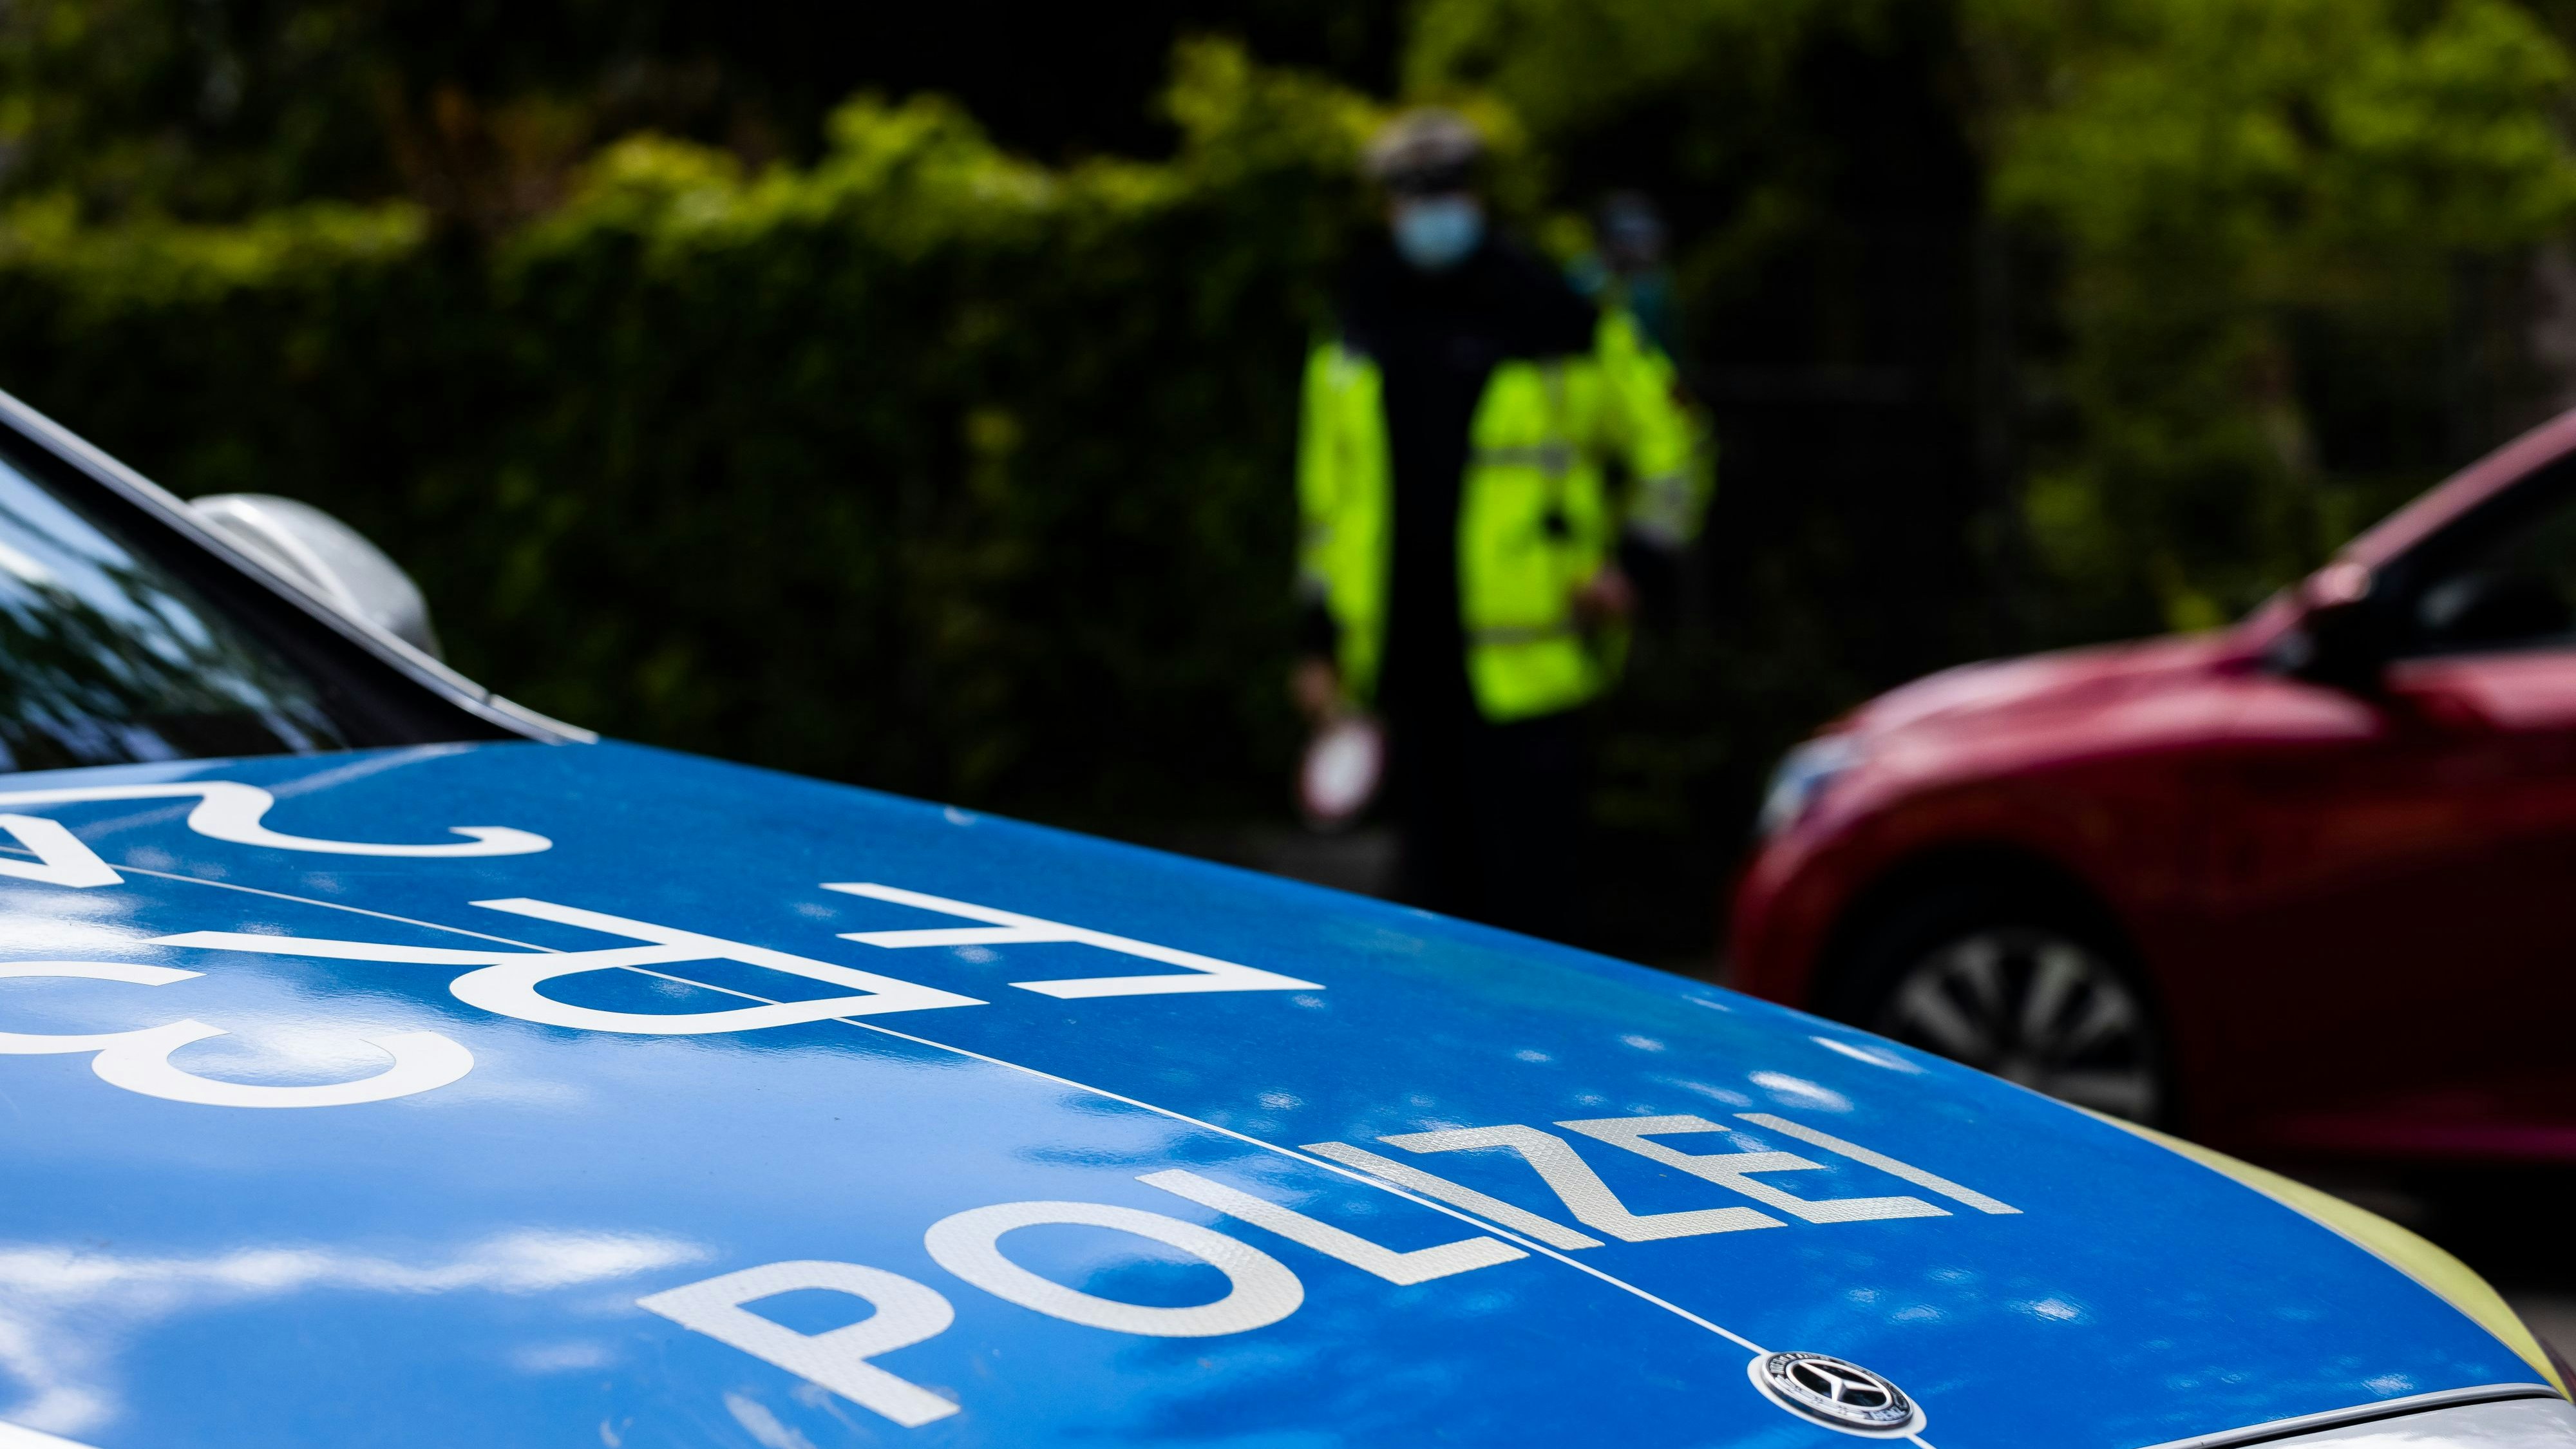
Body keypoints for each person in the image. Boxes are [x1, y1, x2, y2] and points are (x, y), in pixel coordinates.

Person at [1292, 109, 1710, 941]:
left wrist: (1635, 564)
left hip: (1531, 671)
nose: (1430, 211)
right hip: (1408, 667)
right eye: (1412, 194)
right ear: (1387, 207)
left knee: (1532, 916)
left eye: (1444, 189)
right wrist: (1316, 639)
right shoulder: (1359, 325)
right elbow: (1325, 506)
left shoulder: (1552, 313)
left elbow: (1674, 446)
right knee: (1428, 916)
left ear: (1475, 195)